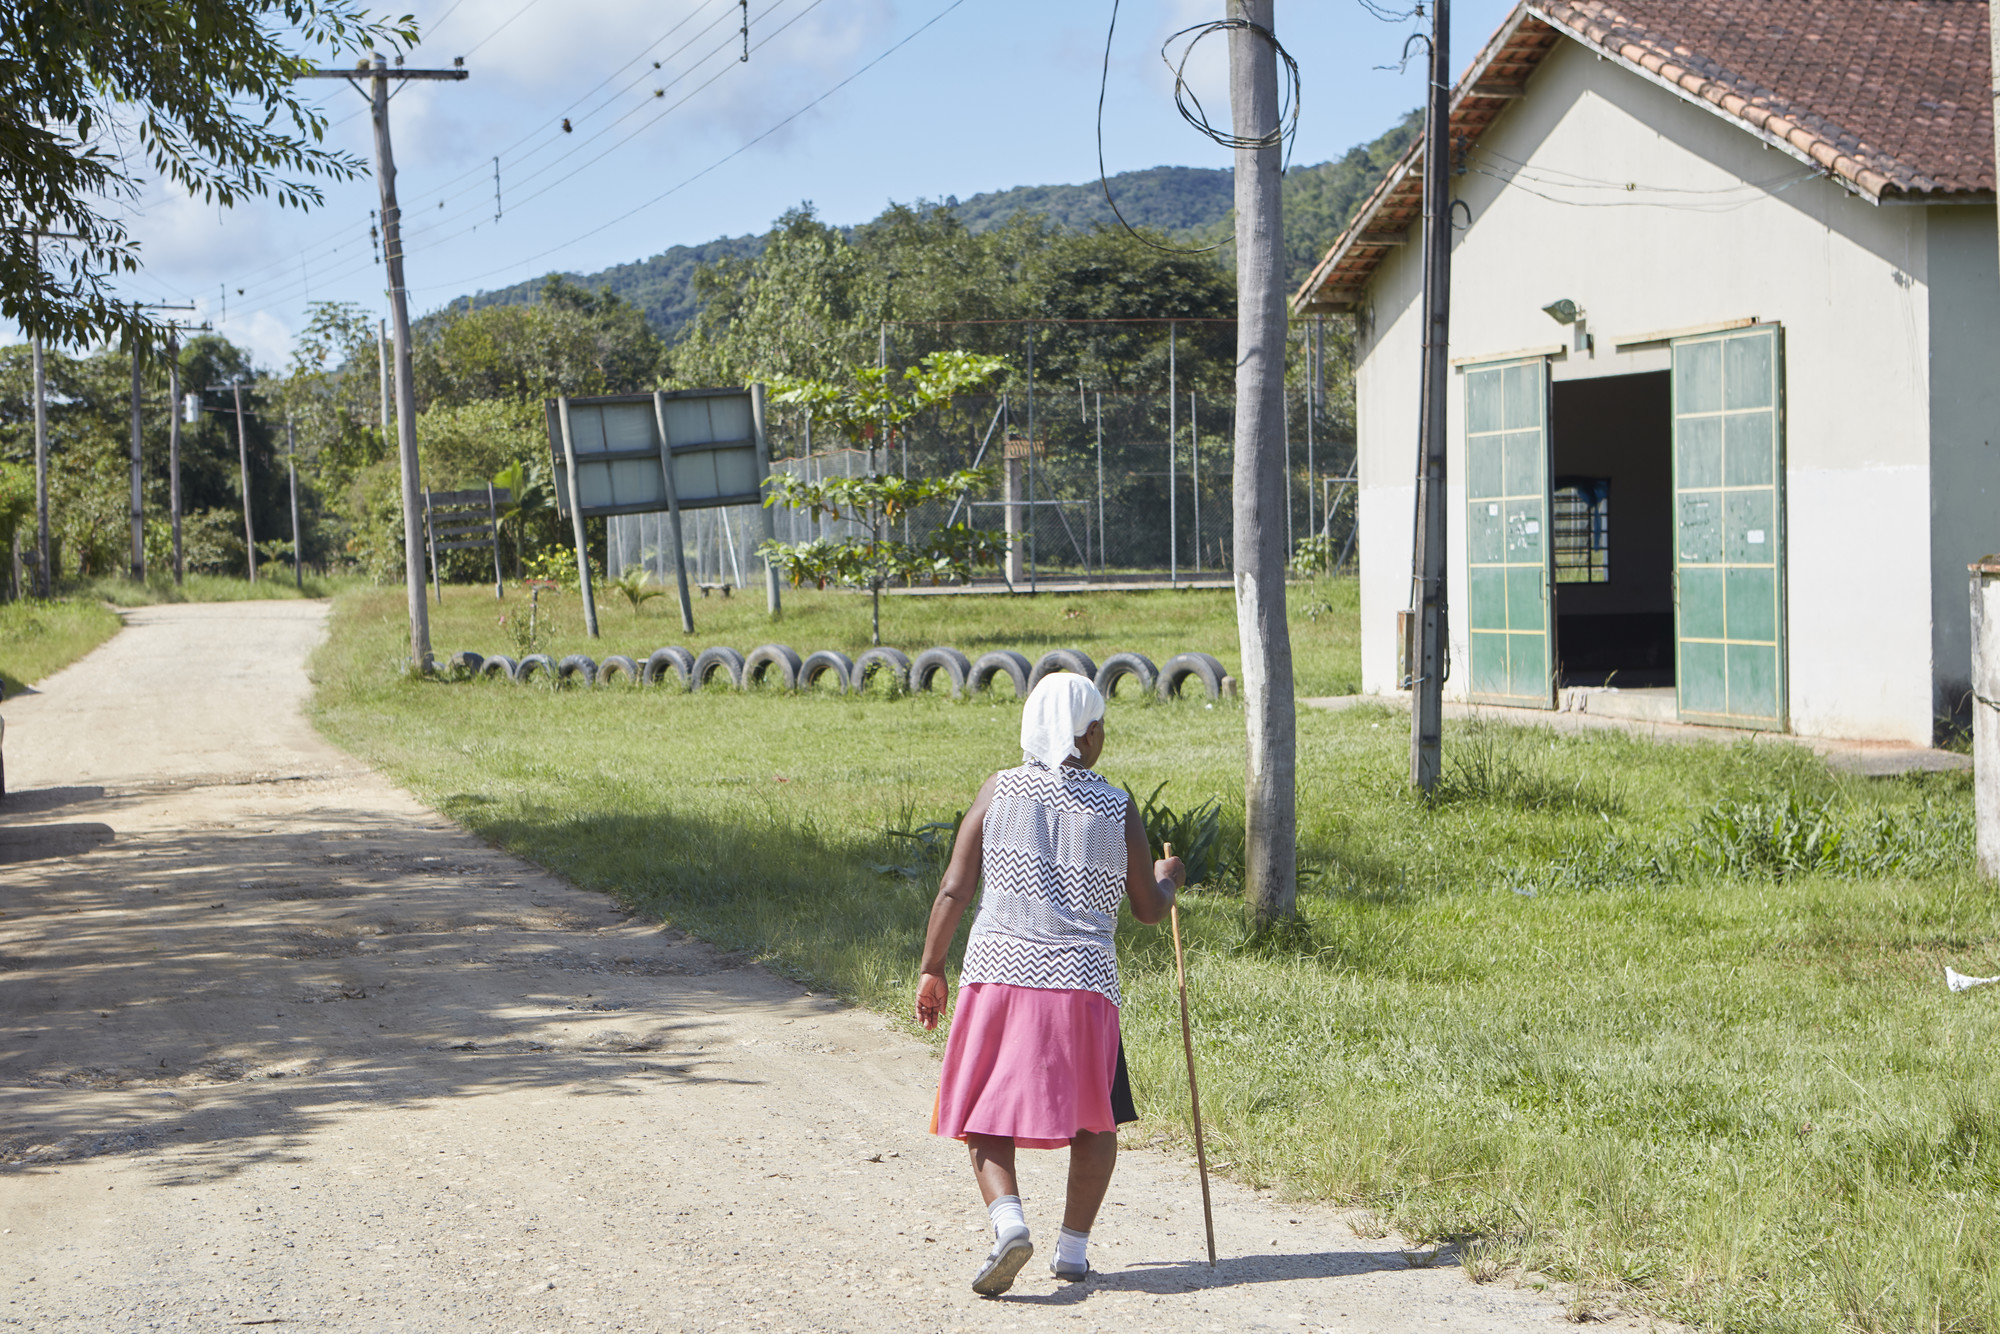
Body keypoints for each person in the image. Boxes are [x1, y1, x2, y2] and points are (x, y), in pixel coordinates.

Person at [916, 672, 1184, 1296]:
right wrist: (1167, 878)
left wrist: (932, 967)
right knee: (1097, 1118)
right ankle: (1073, 1250)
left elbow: (955, 889)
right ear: (1086, 735)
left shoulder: (998, 790)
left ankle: (1009, 1223)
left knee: (985, 1113)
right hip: (1084, 985)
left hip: (999, 974)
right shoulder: (1116, 806)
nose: (1102, 737)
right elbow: (1147, 908)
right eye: (1100, 728)